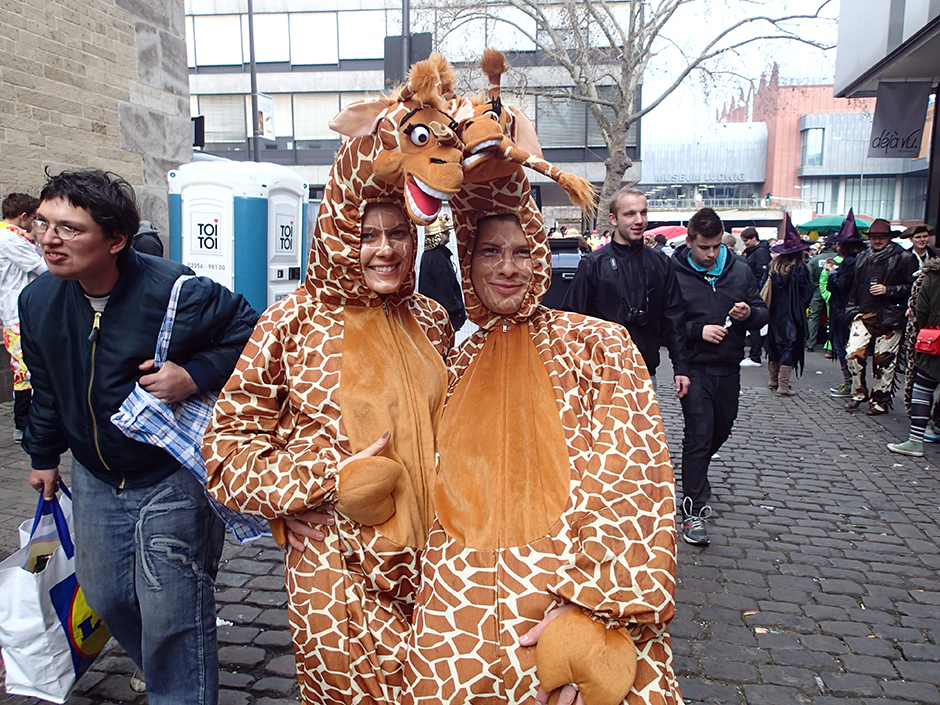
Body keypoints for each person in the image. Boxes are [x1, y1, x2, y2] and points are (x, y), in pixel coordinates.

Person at [204, 57, 461, 705]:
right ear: (340, 233)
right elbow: (224, 450)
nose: (383, 249)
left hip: (431, 567)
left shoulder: (430, 318)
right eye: (365, 233)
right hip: (336, 575)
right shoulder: (291, 322)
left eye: (397, 232)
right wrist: (309, 488)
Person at [403, 197, 681, 705]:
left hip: (558, 608)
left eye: (521, 251)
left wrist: (593, 610)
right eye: (490, 252)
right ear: (467, 261)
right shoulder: (455, 361)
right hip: (455, 625)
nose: (507, 267)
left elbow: (632, 477)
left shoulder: (598, 346)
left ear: (542, 259)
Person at [22, 169, 259, 705]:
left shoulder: (175, 288)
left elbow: (252, 332)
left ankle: (178, 688)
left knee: (173, 606)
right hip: (95, 475)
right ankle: (166, 668)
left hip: (168, 472)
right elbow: (46, 385)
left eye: (69, 228)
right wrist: (43, 454)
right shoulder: (38, 301)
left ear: (115, 239)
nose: (49, 239)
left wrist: (193, 375)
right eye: (43, 223)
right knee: (105, 595)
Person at [670, 208, 769, 546]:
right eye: (703, 248)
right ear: (690, 242)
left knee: (722, 427)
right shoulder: (675, 271)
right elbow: (667, 323)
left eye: (715, 247)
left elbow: (761, 312)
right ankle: (693, 510)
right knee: (698, 434)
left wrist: (749, 314)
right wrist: (698, 331)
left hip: (729, 368)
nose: (710, 254)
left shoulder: (740, 270)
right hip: (695, 367)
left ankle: (696, 474)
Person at [563, 187, 691, 398]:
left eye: (643, 212)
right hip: (601, 376)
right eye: (630, 213)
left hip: (645, 374)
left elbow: (674, 317)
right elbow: (572, 322)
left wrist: (681, 367)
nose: (639, 220)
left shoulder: (660, 263)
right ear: (613, 219)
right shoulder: (593, 264)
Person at [843, 218, 918, 415]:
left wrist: (888, 290)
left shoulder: (904, 257)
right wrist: (852, 310)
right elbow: (855, 287)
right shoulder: (862, 256)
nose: (877, 241)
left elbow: (913, 288)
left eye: (881, 237)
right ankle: (858, 393)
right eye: (874, 237)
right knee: (852, 353)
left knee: (884, 359)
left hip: (891, 315)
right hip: (864, 312)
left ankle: (880, 401)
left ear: (889, 237)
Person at [0, 193, 46, 441]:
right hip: (19, 315)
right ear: (23, 216)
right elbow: (44, 269)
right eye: (35, 219)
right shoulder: (9, 239)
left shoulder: (14, 238)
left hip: (20, 313)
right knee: (26, 372)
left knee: (25, 370)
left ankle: (26, 424)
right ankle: (24, 425)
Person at [889, 257, 940, 456]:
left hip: (935, 340)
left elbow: (921, 311)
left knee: (922, 390)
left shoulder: (932, 276)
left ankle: (915, 441)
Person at [765, 217, 814, 396]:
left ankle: (773, 380)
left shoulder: (774, 268)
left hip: (775, 313)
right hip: (793, 314)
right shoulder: (800, 269)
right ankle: (783, 386)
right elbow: (806, 294)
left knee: (775, 344)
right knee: (790, 346)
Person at [825, 212, 868, 398]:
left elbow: (841, 286)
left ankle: (851, 384)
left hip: (843, 310)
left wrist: (832, 272)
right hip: (847, 309)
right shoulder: (858, 260)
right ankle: (851, 384)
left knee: (843, 347)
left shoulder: (850, 262)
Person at [418, 213, 467, 331]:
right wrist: (458, 309)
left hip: (433, 317)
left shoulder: (430, 256)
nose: (449, 234)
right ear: (438, 235)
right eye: (446, 232)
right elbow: (445, 290)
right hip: (442, 319)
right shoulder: (438, 259)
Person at [741, 226, 771, 366]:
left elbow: (761, 274)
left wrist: (755, 292)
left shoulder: (759, 253)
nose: (745, 243)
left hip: (754, 293)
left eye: (746, 240)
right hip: (754, 291)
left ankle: (755, 356)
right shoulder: (756, 251)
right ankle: (755, 354)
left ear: (754, 238)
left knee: (754, 325)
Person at [805, 237, 836, 352]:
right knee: (833, 317)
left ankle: (810, 343)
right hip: (834, 291)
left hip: (818, 290)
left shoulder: (814, 260)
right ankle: (831, 345)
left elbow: (809, 276)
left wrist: (816, 286)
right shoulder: (838, 259)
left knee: (814, 316)